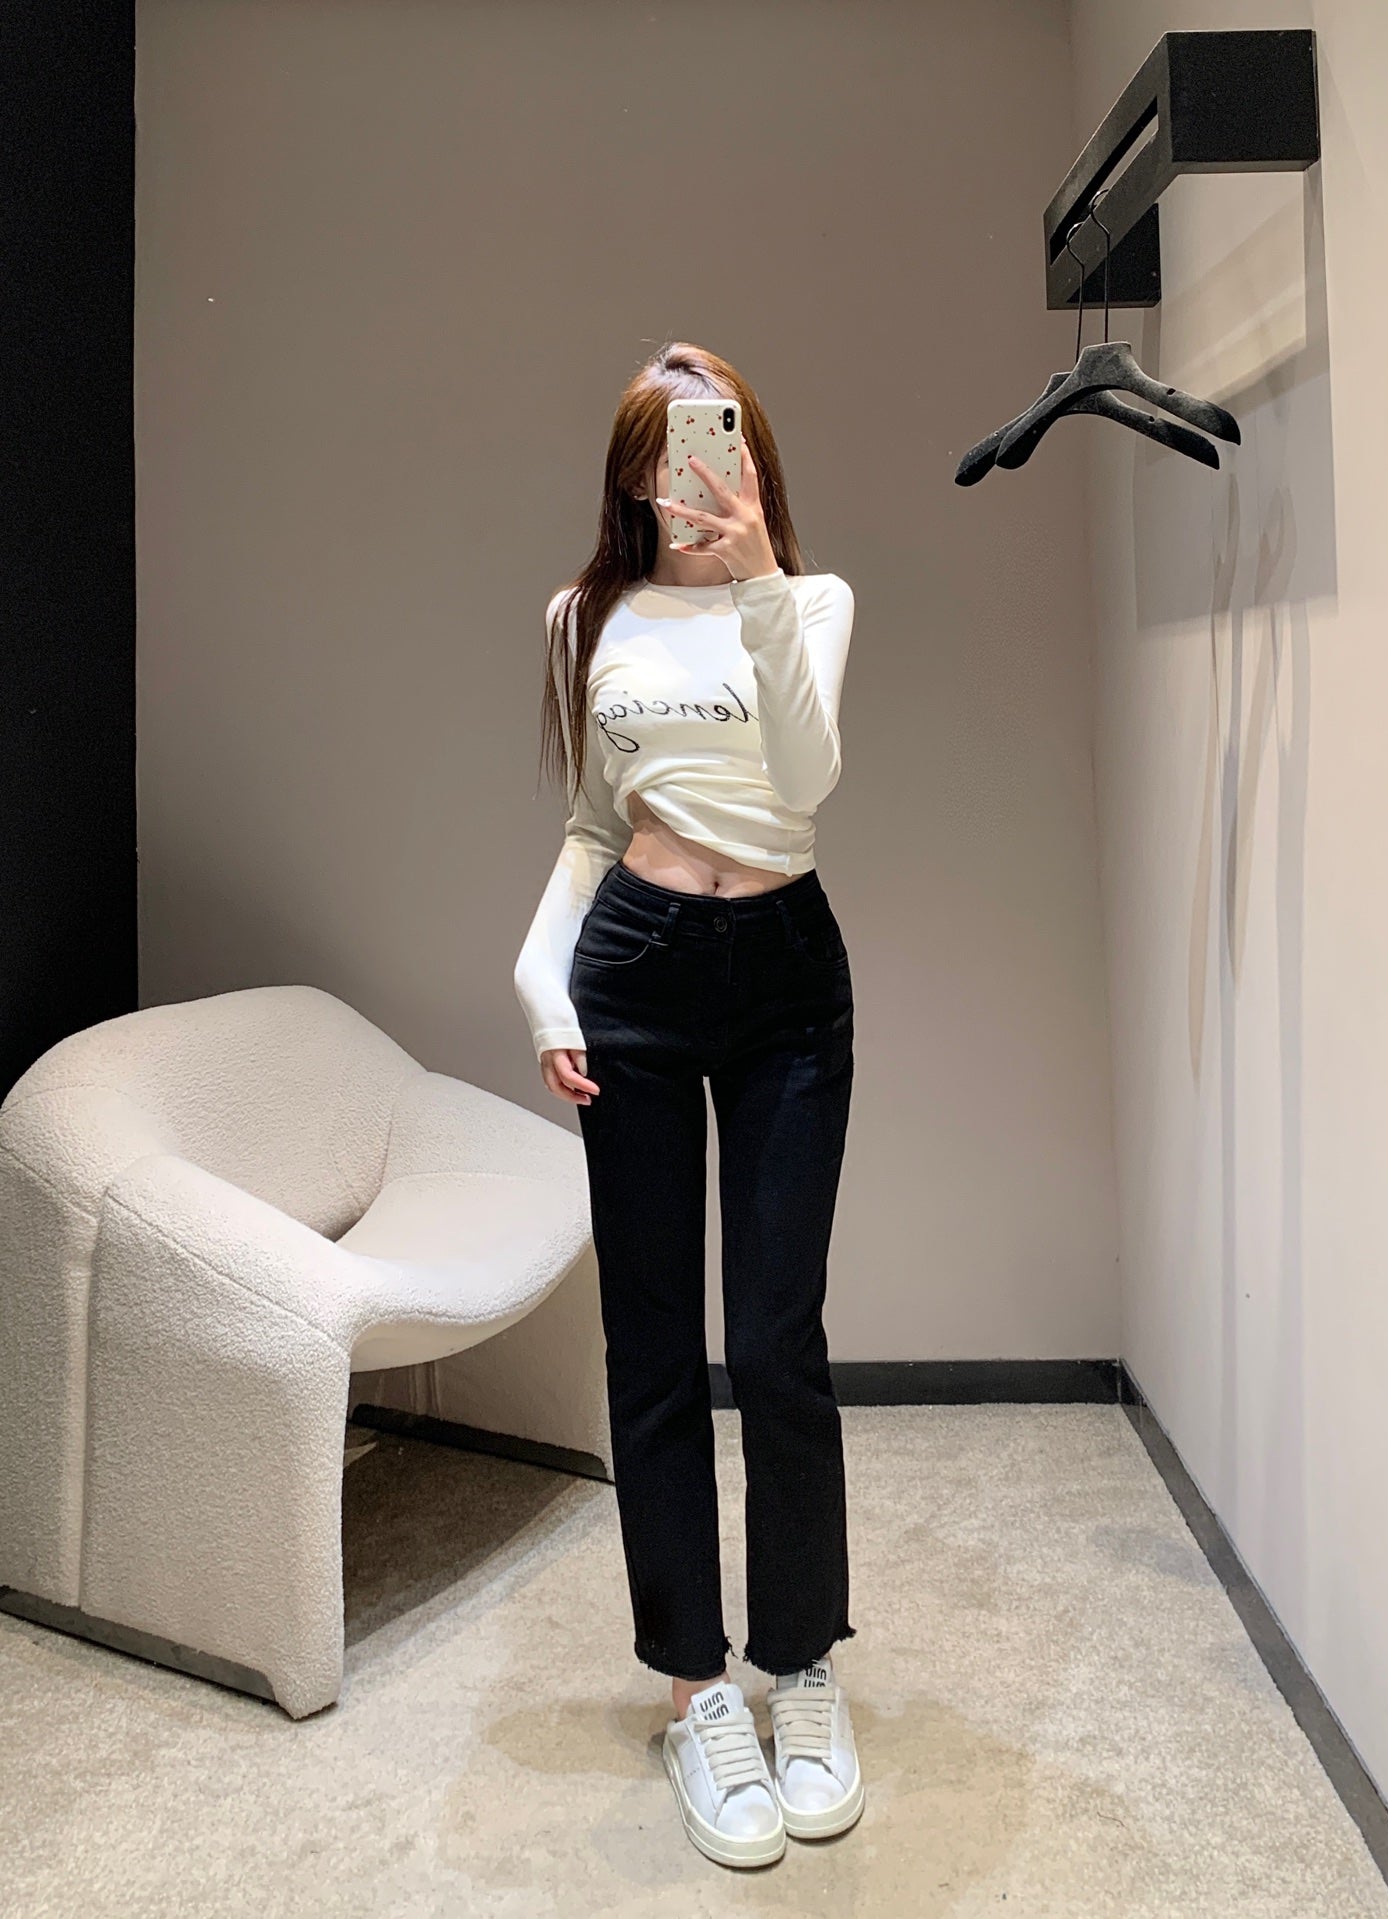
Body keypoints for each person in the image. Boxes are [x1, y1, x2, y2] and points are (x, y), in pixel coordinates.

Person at [513, 342, 861, 1870]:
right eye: (665, 451)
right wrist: (542, 983)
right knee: (650, 1344)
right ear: (633, 477)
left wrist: (763, 574)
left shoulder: (813, 601)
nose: (693, 476)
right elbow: (594, 829)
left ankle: (803, 1667)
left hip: (787, 974)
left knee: (778, 1337)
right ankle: (696, 1692)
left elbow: (806, 777)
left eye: (716, 443)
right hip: (636, 971)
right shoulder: (583, 617)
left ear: (754, 459)